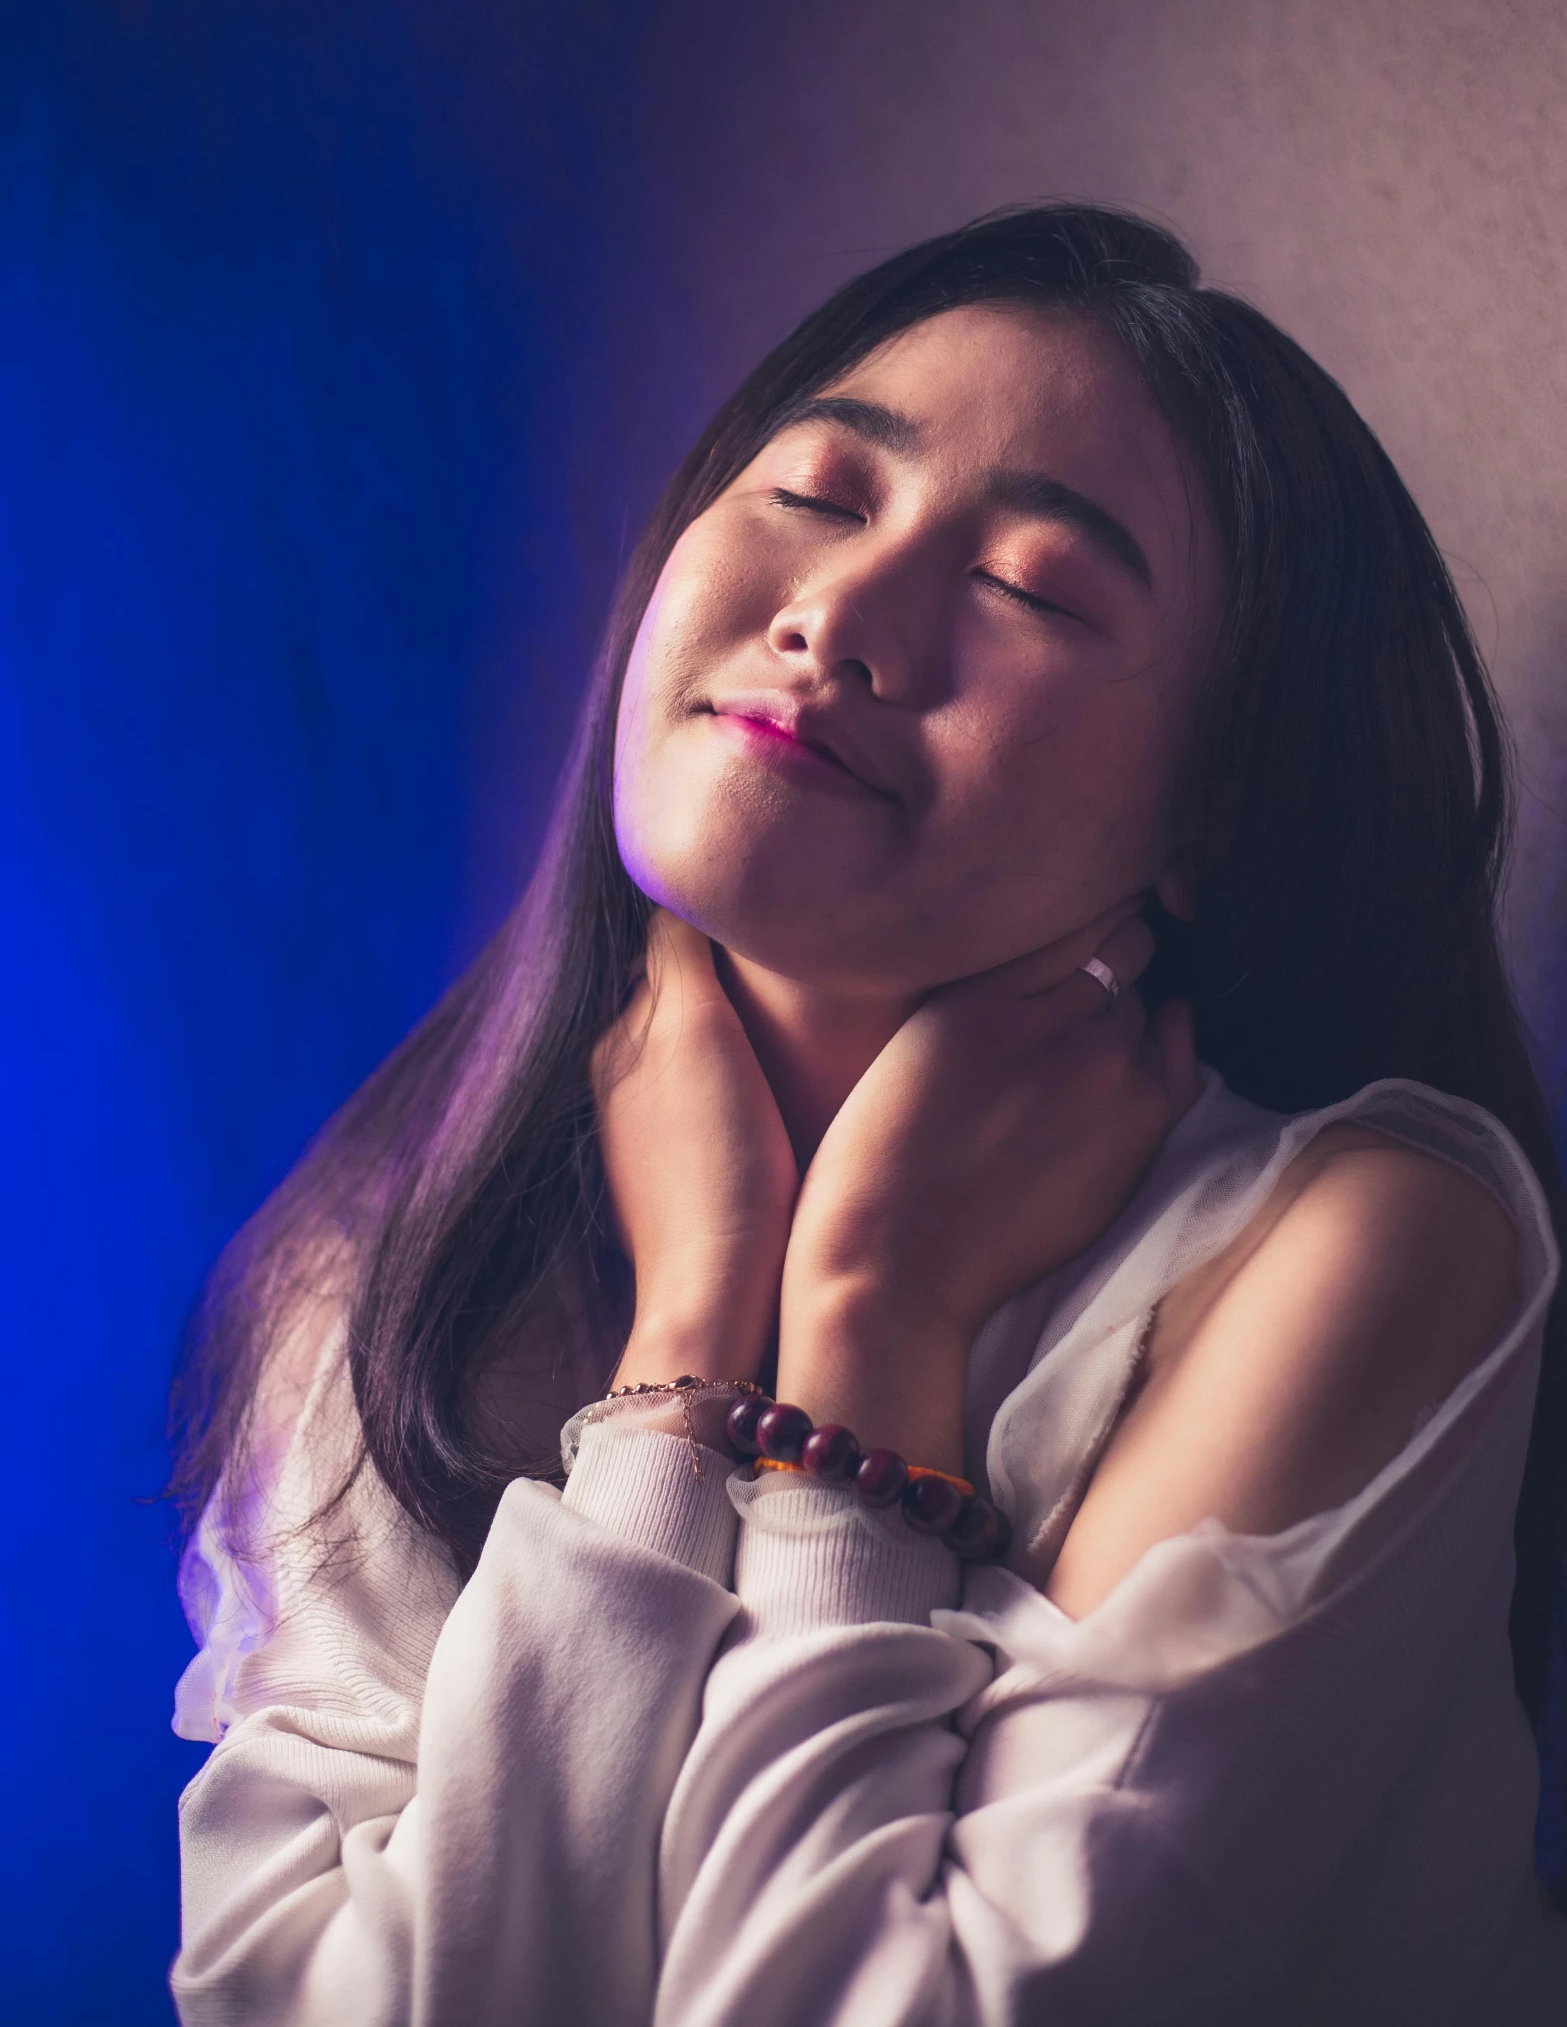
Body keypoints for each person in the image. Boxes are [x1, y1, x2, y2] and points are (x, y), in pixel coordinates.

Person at [167, 205, 1567, 2024]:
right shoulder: (380, 1268)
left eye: (1036, 591)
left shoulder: (1358, 1244)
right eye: (817, 493)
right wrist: (685, 1349)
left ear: (1217, 811)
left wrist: (870, 1328)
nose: (838, 613)